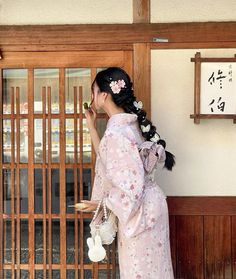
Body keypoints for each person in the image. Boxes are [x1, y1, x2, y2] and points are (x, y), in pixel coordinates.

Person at [79, 67, 175, 279]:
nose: (92, 97)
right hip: (151, 206)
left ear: (104, 95)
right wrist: (92, 127)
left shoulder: (117, 133)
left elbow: (129, 188)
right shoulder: (130, 126)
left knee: (140, 271)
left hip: (140, 211)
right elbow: (108, 158)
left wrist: (101, 203)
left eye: (93, 91)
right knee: (155, 270)